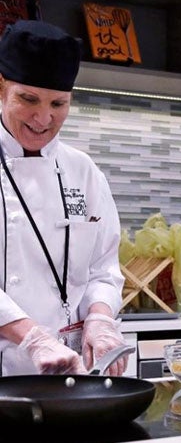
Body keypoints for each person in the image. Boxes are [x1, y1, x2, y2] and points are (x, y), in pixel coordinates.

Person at [0, 20, 128, 376]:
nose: (44, 118)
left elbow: (104, 269)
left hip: (69, 375)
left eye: (59, 103)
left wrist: (100, 319)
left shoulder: (83, 172)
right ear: (1, 88)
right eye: (28, 99)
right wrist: (32, 338)